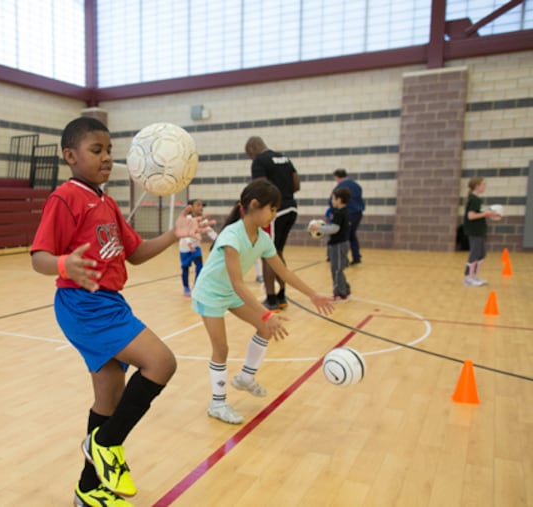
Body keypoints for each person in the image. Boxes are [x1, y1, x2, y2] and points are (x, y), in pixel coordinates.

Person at [30, 117, 213, 507]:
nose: (108, 158)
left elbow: (135, 254)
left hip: (109, 302)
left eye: (110, 150)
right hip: (85, 306)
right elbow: (39, 258)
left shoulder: (107, 202)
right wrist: (66, 265)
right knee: (161, 362)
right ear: (70, 156)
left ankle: (89, 489)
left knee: (109, 399)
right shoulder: (66, 198)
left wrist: (174, 234)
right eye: (97, 151)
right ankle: (107, 444)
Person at [191, 179, 334, 424]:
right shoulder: (231, 235)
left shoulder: (263, 238)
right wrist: (267, 313)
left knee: (265, 328)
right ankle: (217, 403)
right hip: (211, 294)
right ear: (254, 205)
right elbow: (238, 283)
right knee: (221, 349)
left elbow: (284, 272)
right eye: (273, 209)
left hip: (230, 293)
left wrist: (313, 294)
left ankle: (246, 377)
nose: (274, 215)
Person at [245, 136, 300, 311]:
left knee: (267, 253)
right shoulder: (283, 158)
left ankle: (271, 299)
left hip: (275, 211)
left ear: (253, 147)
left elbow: (260, 188)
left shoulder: (260, 161)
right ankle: (281, 296)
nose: (251, 159)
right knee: (277, 251)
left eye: (249, 154)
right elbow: (296, 185)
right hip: (292, 208)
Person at [311, 187, 352, 302]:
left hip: (339, 245)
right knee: (338, 268)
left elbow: (334, 229)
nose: (332, 200)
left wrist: (319, 228)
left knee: (337, 269)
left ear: (339, 200)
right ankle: (345, 289)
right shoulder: (340, 212)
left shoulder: (340, 213)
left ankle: (341, 294)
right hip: (338, 244)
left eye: (333, 198)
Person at [462, 177, 499, 286]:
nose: (484, 186)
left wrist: (491, 214)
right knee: (474, 254)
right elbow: (471, 216)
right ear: (477, 186)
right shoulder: (474, 199)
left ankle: (475, 276)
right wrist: (486, 214)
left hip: (480, 231)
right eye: (483, 184)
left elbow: (479, 214)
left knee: (481, 254)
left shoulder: (477, 199)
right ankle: (468, 278)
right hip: (475, 231)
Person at [179, 198, 217, 297]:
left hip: (196, 247)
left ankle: (197, 286)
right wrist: (189, 243)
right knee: (185, 268)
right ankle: (186, 287)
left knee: (199, 265)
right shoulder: (186, 219)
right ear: (191, 207)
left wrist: (218, 240)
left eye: (202, 205)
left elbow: (210, 231)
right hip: (185, 247)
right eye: (198, 205)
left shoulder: (203, 219)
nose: (201, 207)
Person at [329, 168, 365, 265]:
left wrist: (332, 212)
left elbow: (332, 201)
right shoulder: (357, 185)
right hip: (358, 213)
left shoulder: (340, 187)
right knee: (352, 235)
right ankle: (356, 257)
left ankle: (342, 260)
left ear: (336, 177)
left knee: (343, 237)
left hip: (346, 214)